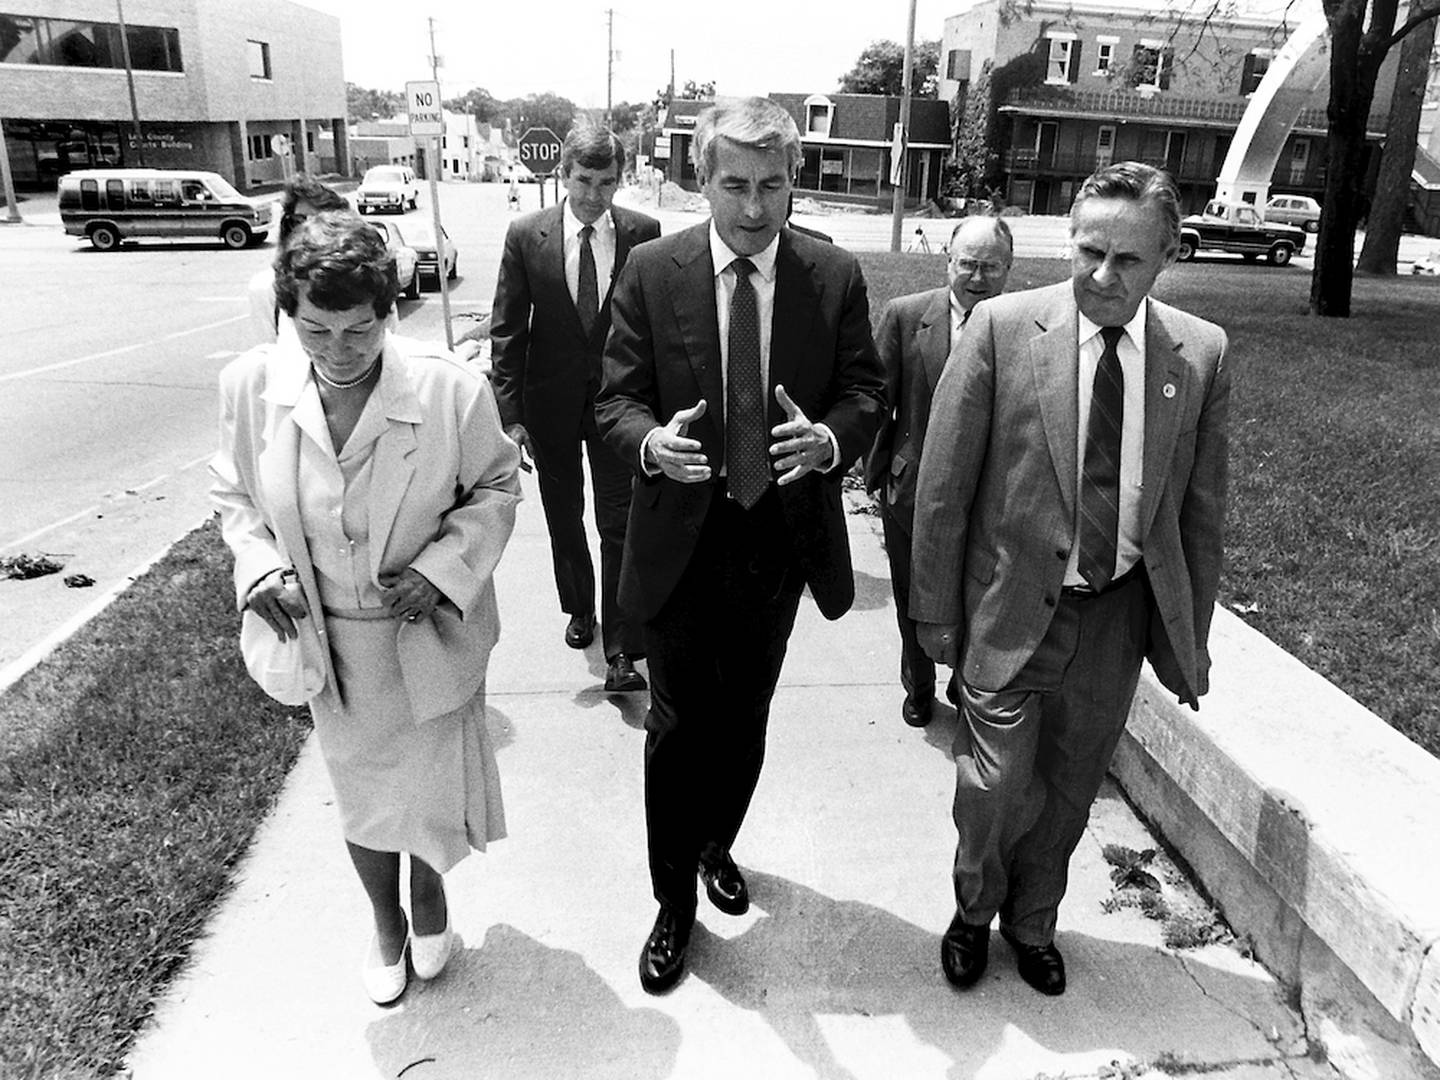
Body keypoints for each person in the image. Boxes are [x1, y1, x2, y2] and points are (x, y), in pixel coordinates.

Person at [911, 161, 1230, 997]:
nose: (1102, 275)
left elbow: (1200, 513)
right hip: (1007, 604)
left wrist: (1189, 640)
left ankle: (1033, 921)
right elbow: (942, 487)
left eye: (1128, 260)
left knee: (1067, 788)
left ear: (1167, 257)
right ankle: (973, 911)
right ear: (1070, 240)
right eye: (1090, 250)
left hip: (1114, 620)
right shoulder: (1002, 329)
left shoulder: (1198, 354)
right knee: (993, 785)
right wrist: (933, 617)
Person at [596, 97, 885, 995]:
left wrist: (832, 441)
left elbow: (866, 389)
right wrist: (651, 442)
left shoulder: (832, 277)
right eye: (734, 185)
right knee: (678, 723)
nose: (754, 207)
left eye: (771, 185)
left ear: (793, 180)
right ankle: (672, 899)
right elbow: (613, 401)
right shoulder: (652, 269)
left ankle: (719, 840)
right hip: (683, 536)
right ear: (702, 179)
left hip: (778, 538)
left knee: (746, 715)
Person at [211, 210, 523, 1005]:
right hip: (334, 645)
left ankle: (429, 902)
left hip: (427, 633)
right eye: (316, 331)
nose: (338, 352)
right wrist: (260, 568)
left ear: (390, 314)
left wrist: (444, 568)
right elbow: (236, 496)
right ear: (288, 316)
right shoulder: (252, 388)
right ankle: (385, 921)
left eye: (359, 330)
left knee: (424, 793)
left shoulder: (450, 390)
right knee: (362, 794)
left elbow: (496, 485)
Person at [489, 125, 661, 692]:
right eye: (584, 181)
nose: (594, 195)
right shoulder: (525, 235)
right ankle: (580, 609)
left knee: (619, 521)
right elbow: (509, 331)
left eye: (607, 182)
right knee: (565, 518)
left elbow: (657, 329)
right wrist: (509, 416)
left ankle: (620, 649)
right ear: (565, 175)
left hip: (618, 406)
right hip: (550, 408)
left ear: (620, 180)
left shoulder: (644, 233)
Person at [865, 215, 1013, 728]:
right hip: (913, 493)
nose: (977, 277)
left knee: (977, 595)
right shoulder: (906, 316)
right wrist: (879, 476)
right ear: (948, 262)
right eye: (967, 264)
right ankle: (919, 684)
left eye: (990, 267)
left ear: (1009, 269)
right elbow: (875, 403)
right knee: (913, 595)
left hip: (990, 496)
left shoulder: (1020, 324)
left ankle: (963, 682)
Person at [246, 174, 349, 342]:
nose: (308, 231)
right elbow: (268, 353)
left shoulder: (365, 282)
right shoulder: (266, 288)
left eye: (321, 222)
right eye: (298, 221)